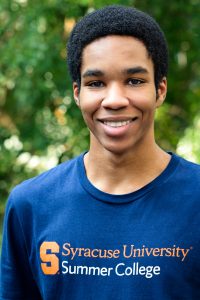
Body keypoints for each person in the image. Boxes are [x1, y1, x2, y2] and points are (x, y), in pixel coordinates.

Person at [0, 4, 200, 300]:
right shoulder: (31, 205)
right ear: (77, 93)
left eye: (134, 81)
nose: (115, 99)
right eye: (96, 83)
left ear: (160, 90)